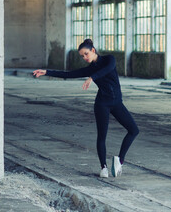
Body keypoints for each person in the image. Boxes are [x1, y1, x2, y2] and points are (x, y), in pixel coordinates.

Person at [33, 39, 139, 178]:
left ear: (93, 50)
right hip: (102, 104)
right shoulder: (90, 68)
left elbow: (107, 69)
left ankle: (119, 160)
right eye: (82, 56)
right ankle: (103, 168)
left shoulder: (109, 59)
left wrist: (91, 78)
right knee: (102, 136)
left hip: (117, 103)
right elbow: (68, 74)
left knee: (133, 130)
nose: (84, 57)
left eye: (86, 54)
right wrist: (46, 72)